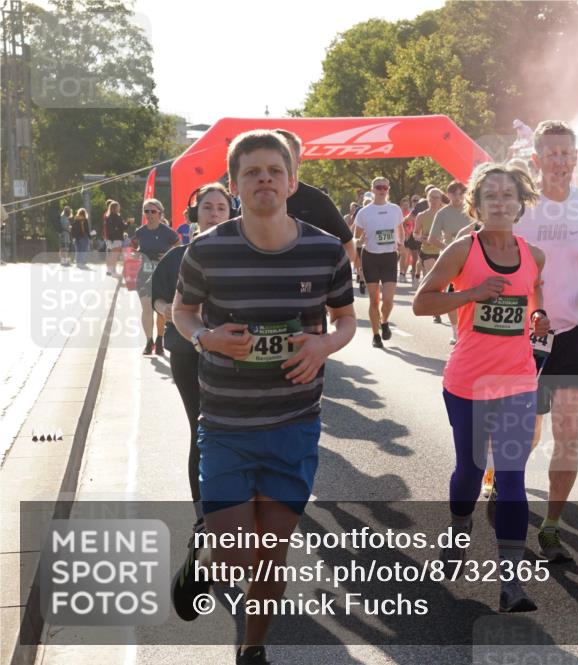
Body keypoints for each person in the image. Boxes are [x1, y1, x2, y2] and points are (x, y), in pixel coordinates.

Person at [170, 130, 356, 664]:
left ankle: (253, 650)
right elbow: (182, 312)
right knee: (234, 558)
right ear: (234, 185)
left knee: (270, 558)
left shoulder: (324, 251)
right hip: (227, 425)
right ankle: (207, 558)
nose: (264, 180)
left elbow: (346, 321)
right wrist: (204, 336)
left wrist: (323, 344)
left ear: (292, 181)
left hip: (294, 423)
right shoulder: (205, 251)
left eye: (274, 170)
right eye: (252, 172)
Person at [413, 162, 549, 612]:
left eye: (508, 195)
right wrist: (470, 294)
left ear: (521, 203)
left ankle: (511, 583)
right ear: (476, 203)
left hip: (517, 381)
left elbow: (533, 297)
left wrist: (537, 316)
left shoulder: (534, 255)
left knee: (512, 479)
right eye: (490, 195)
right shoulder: (461, 251)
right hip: (468, 380)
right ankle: (458, 527)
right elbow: (421, 302)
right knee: (470, 473)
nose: (500, 202)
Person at [516, 120, 578, 563]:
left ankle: (552, 526)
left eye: (565, 153)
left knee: (568, 431)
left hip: (573, 333)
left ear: (575, 158)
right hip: (522, 338)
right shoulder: (519, 207)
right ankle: (501, 480)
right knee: (527, 432)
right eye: (550, 153)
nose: (559, 160)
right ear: (536, 160)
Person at [152, 183, 233, 527]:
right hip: (188, 353)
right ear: (193, 215)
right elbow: (156, 298)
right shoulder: (175, 256)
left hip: (233, 356)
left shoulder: (242, 256)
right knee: (201, 428)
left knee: (235, 434)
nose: (214, 214)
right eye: (207, 208)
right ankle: (203, 517)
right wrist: (171, 312)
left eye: (221, 208)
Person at [274, 129, 357, 264]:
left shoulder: (318, 200)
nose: (280, 161)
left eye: (286, 155)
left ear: (299, 160)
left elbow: (348, 245)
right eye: (275, 155)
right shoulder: (256, 199)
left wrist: (332, 279)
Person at [353, 176, 404, 348]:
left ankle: (385, 321)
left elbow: (400, 229)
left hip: (389, 257)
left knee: (388, 300)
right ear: (372, 189)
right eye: (378, 187)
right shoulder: (364, 212)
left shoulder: (395, 209)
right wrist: (359, 242)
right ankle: (376, 335)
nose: (382, 190)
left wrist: (401, 243)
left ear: (388, 189)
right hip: (371, 257)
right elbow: (356, 238)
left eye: (384, 187)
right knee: (374, 300)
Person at [133, 198, 179, 356]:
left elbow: (179, 246)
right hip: (144, 273)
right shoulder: (140, 232)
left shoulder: (168, 232)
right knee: (146, 308)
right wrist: (137, 253)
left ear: (160, 213)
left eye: (153, 211)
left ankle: (160, 339)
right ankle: (148, 341)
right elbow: (133, 247)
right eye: (146, 211)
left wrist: (167, 256)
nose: (150, 214)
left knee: (160, 311)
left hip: (161, 275)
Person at [428, 180, 473, 335]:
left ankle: (468, 328)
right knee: (451, 296)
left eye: (461, 193)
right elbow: (432, 238)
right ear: (448, 195)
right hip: (450, 260)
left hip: (471, 258)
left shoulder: (472, 211)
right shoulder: (442, 213)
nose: (458, 196)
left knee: (472, 296)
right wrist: (449, 249)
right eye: (454, 193)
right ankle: (456, 330)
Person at [104, 200, 126, 276]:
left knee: (111, 255)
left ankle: (110, 270)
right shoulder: (117, 216)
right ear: (115, 208)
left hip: (110, 238)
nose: (119, 208)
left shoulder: (108, 216)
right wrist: (129, 223)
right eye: (118, 207)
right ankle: (113, 271)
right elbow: (122, 227)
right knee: (115, 256)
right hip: (116, 238)